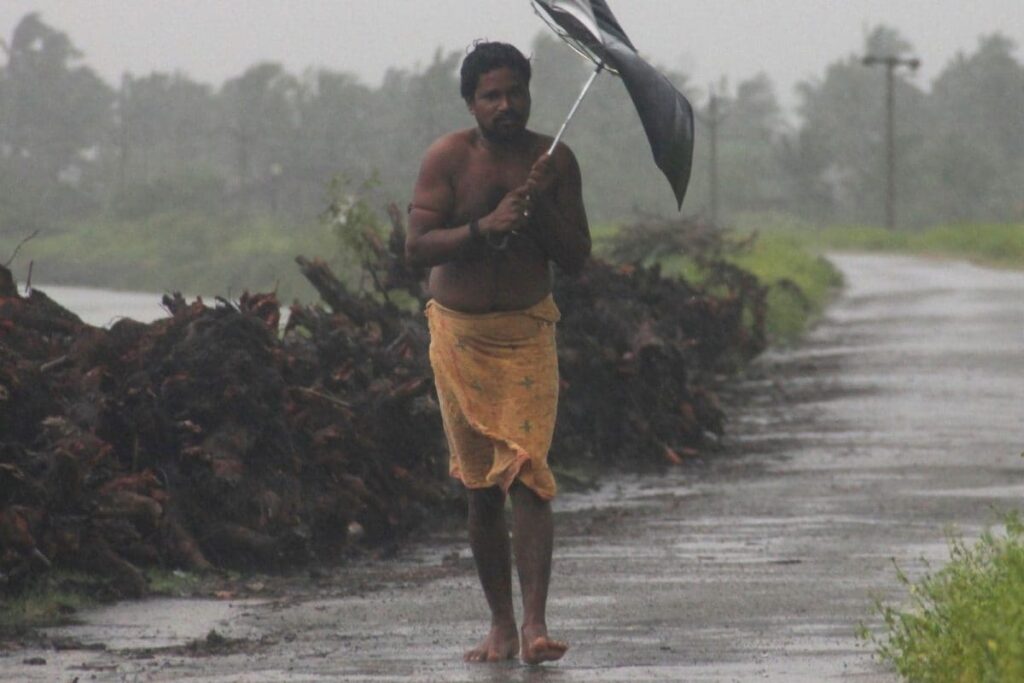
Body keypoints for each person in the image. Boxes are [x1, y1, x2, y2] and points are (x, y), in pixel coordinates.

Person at [405, 41, 591, 665]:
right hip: (458, 338)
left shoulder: (555, 160)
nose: (505, 105)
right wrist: (485, 227)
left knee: (529, 475)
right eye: (491, 95)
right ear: (471, 102)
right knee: (482, 488)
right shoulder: (447, 159)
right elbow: (418, 246)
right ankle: (500, 628)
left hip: (527, 334)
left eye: (515, 92)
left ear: (529, 94)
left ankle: (536, 626)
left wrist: (539, 215)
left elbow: (577, 257)